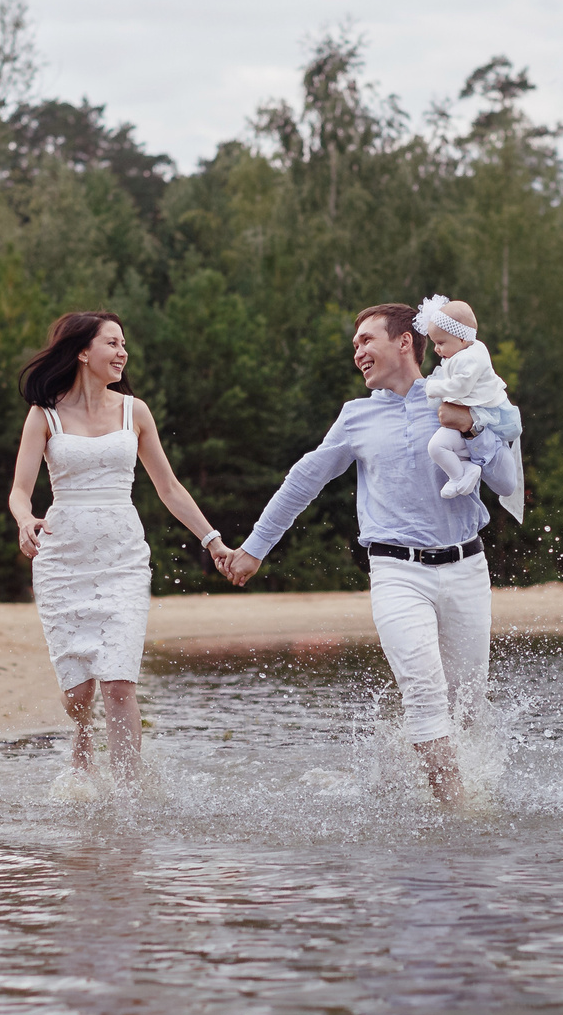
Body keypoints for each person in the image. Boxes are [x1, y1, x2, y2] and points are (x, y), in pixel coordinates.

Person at [223, 302, 525, 804]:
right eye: (355, 345)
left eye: (366, 340)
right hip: (395, 572)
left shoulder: (461, 395)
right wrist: (255, 548)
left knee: (468, 706)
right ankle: (459, 812)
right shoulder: (355, 416)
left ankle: (427, 790)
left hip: (468, 568)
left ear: (405, 342)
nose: (358, 352)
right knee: (426, 691)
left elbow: (507, 482)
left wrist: (471, 426)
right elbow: (304, 481)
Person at [8, 312, 231, 789]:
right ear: (84, 352)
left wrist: (212, 540)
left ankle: (128, 795)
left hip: (123, 557)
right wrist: (25, 520)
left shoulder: (135, 411)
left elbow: (169, 488)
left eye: (124, 343)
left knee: (118, 682)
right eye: (113, 343)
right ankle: (82, 734)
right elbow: (20, 491)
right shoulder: (44, 414)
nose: (123, 352)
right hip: (63, 558)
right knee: (78, 692)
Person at [415, 295, 522, 498]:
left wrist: (433, 387)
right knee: (438, 447)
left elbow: (460, 387)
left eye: (440, 343)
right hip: (469, 415)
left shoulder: (470, 359)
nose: (436, 349)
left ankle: (458, 475)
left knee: (437, 446)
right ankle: (465, 470)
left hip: (483, 414)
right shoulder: (460, 354)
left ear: (462, 339)